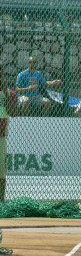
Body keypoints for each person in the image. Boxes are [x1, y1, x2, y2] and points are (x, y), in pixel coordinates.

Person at [0, 62, 17, 203]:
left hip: (0, 136)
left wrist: (5, 92)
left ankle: (1, 200)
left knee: (1, 171)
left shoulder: (9, 93)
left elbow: (13, 112)